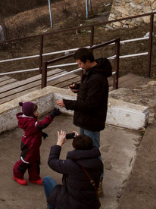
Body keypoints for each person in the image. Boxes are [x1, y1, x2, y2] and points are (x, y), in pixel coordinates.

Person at [54, 47, 112, 196]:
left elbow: (90, 104)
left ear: (87, 61)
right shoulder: (92, 73)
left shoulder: (98, 78)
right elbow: (89, 91)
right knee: (85, 149)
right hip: (85, 120)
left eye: (80, 64)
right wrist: (79, 88)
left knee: (93, 152)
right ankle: (86, 176)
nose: (79, 66)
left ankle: (97, 182)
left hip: (91, 121)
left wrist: (67, 103)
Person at [41, 130, 103, 209]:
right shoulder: (98, 163)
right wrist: (82, 140)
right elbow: (84, 153)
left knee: (47, 180)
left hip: (71, 205)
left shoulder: (71, 166)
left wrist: (59, 143)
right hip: (90, 204)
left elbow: (52, 162)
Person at [13, 101, 61, 185]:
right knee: (25, 160)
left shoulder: (30, 120)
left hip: (34, 145)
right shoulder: (29, 122)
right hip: (29, 145)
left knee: (35, 161)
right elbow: (41, 124)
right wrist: (51, 115)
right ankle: (17, 174)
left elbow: (36, 129)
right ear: (31, 114)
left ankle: (34, 177)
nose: (37, 113)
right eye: (35, 111)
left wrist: (41, 133)